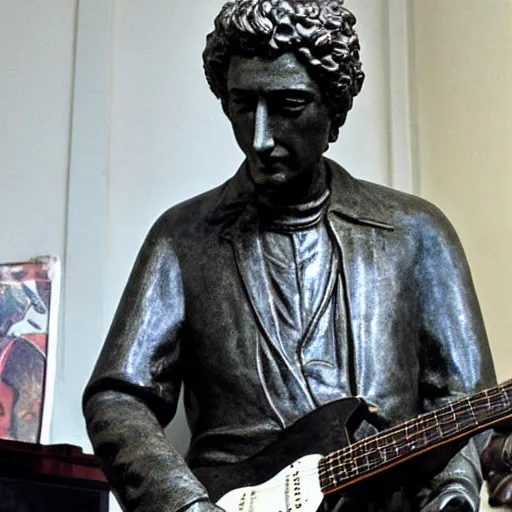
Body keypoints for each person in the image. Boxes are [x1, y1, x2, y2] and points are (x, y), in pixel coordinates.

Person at [82, 1, 497, 511]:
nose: (259, 139)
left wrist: (452, 493)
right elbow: (119, 396)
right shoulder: (180, 237)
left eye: (287, 106)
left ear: (334, 108)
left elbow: (464, 402)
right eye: (241, 104)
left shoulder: (418, 234)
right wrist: (185, 505)